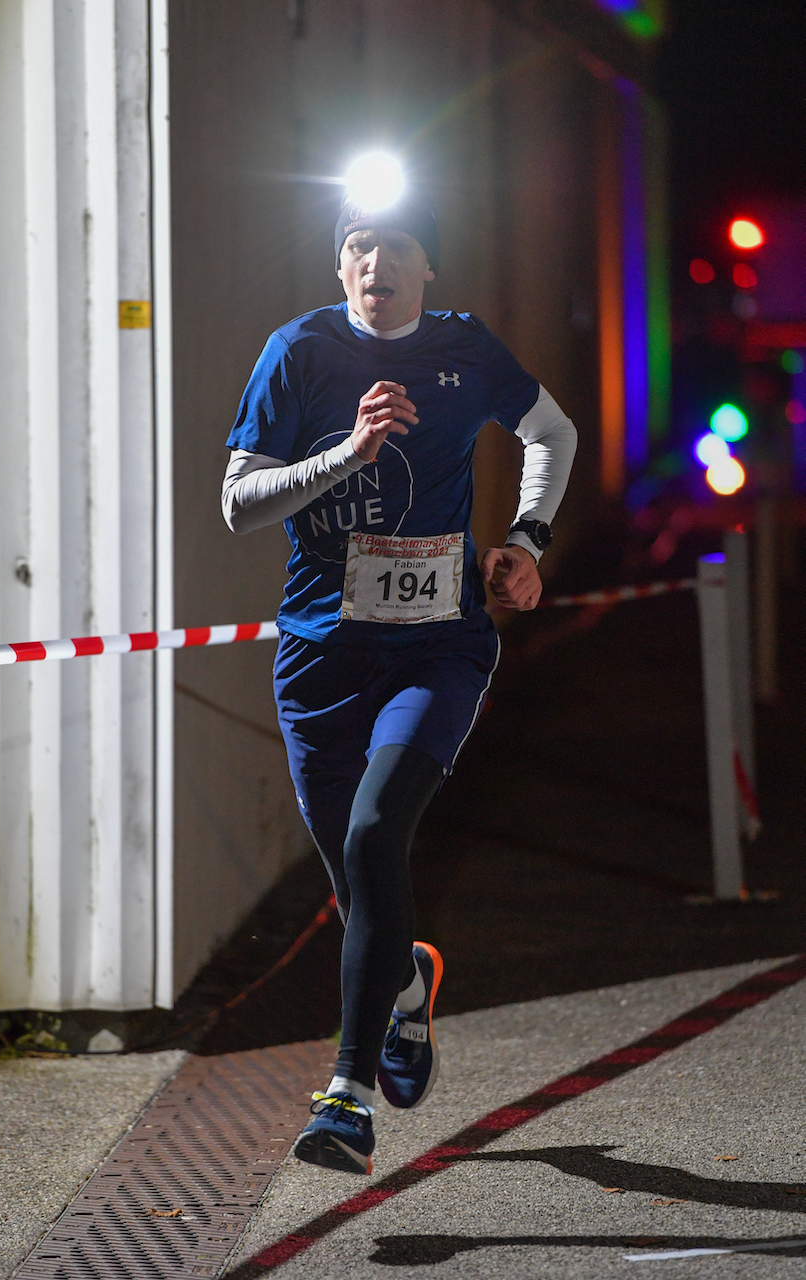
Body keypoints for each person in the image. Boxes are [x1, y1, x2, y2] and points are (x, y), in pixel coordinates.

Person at [221, 185, 576, 1176]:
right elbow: (237, 504)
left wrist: (525, 537)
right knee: (359, 882)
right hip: (319, 659)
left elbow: (553, 433)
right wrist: (344, 453)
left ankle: (343, 1094)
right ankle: (407, 982)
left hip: (437, 646)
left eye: (395, 246)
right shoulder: (297, 353)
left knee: (380, 832)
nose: (374, 263)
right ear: (339, 267)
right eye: (356, 247)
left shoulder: (465, 350)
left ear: (427, 266)